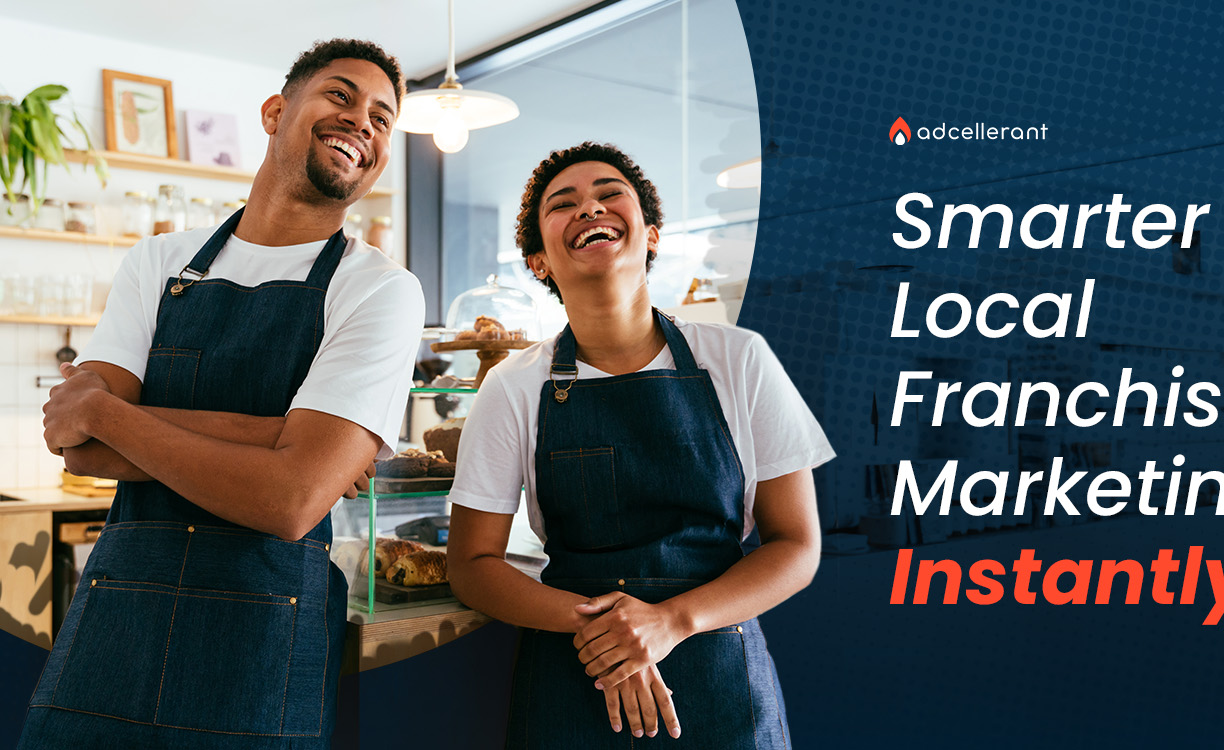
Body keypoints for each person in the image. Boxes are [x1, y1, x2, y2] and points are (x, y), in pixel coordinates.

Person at [20, 40, 423, 749]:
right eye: (340, 95)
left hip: (262, 639)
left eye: (383, 118)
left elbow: (291, 501)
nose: (363, 121)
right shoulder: (159, 260)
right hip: (119, 618)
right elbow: (76, 444)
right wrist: (278, 440)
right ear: (276, 112)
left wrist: (116, 412)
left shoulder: (380, 288)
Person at [447, 142, 834, 748]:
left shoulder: (739, 359)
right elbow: (472, 566)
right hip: (575, 675)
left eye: (609, 194)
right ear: (538, 262)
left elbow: (797, 545)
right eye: (563, 203)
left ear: (650, 234)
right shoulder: (514, 385)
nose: (590, 208)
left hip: (717, 669)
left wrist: (669, 622)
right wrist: (607, 633)